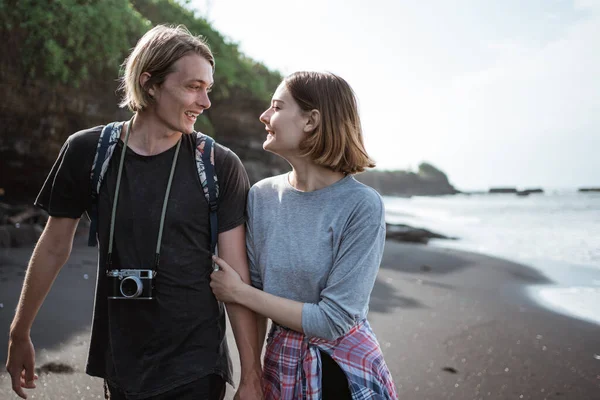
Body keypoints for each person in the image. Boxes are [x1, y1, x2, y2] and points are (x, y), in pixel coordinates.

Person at [5, 25, 262, 400]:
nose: (205, 102)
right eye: (193, 86)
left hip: (196, 364)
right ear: (150, 83)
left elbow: (236, 274)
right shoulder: (89, 151)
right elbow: (54, 246)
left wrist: (251, 377)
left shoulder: (219, 165)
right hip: (120, 361)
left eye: (209, 89)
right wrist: (19, 331)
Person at [210, 71, 398, 399]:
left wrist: (238, 293)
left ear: (311, 120)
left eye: (277, 107)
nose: (264, 116)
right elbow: (255, 295)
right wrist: (250, 376)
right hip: (279, 364)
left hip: (342, 371)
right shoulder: (261, 196)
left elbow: (333, 320)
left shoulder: (362, 205)